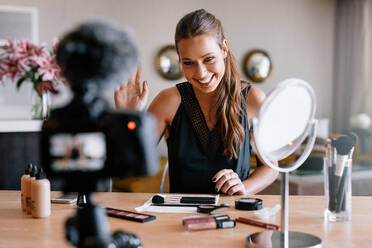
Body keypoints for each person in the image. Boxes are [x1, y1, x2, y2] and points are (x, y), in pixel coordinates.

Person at [114, 9, 278, 195]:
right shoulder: (168, 101)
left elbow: (271, 167)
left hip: (234, 215)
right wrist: (127, 117)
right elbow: (131, 165)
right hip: (179, 217)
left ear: (224, 49)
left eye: (208, 59)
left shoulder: (253, 99)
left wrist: (244, 188)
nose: (200, 73)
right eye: (189, 62)